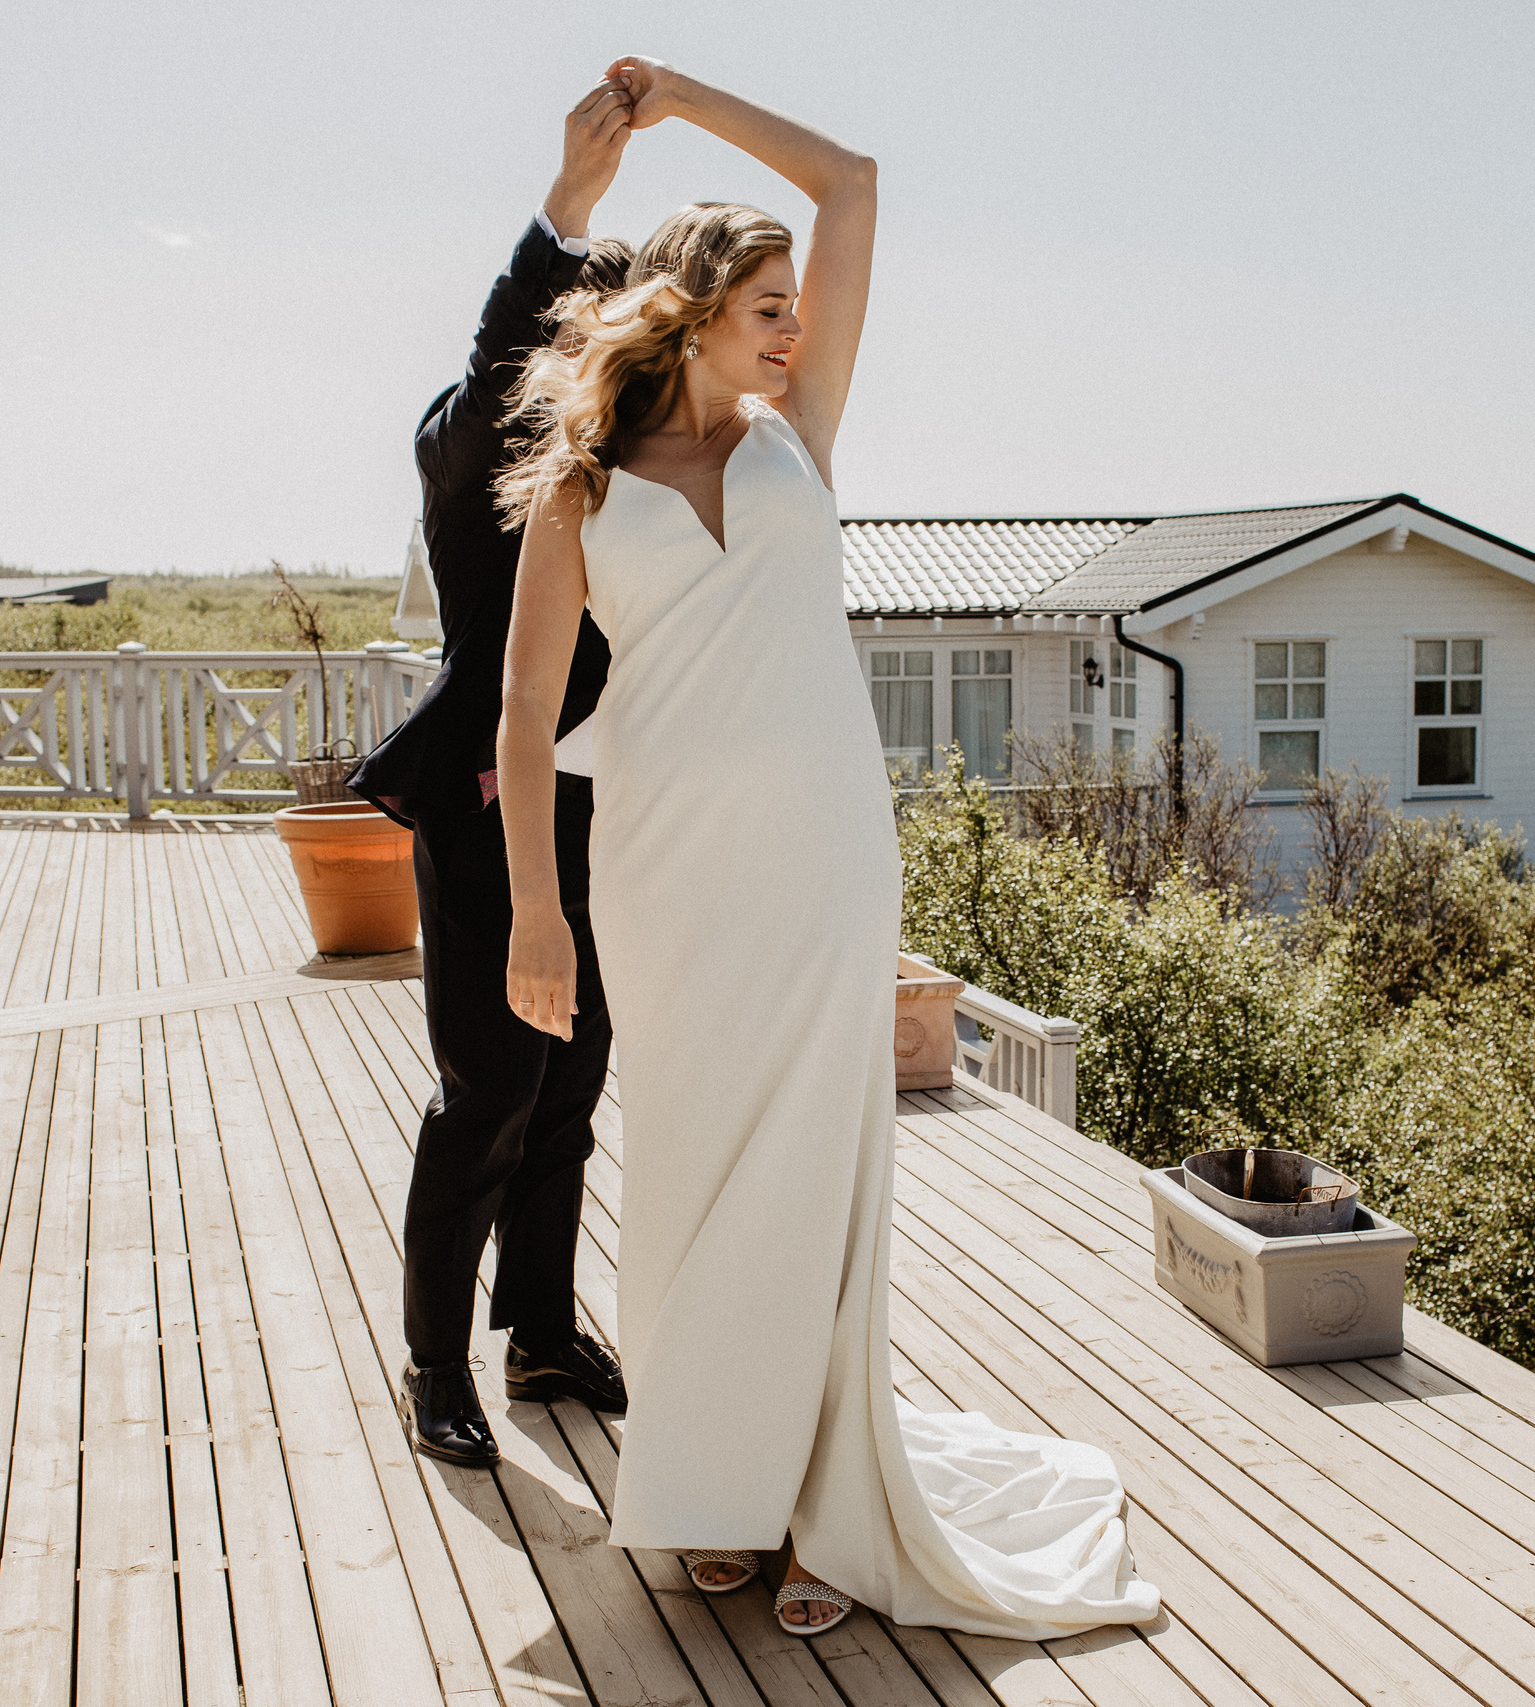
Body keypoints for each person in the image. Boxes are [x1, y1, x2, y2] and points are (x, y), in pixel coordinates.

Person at [492, 57, 1162, 1642]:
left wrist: (682, 104)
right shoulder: (582, 489)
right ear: (692, 310)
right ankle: (715, 1488)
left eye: (796, 305)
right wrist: (538, 918)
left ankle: (822, 1511)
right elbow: (524, 722)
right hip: (662, 860)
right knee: (696, 1170)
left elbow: (852, 178)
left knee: (815, 1175)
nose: (794, 327)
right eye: (766, 305)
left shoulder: (806, 434)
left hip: (820, 848)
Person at [347, 78, 637, 1467]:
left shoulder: (620, 463)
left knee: (573, 1079)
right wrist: (566, 210)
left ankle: (539, 1333)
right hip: (483, 803)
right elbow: (500, 345)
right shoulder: (478, 447)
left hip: (601, 807)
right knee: (492, 1091)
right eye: (584, 318)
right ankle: (432, 1365)